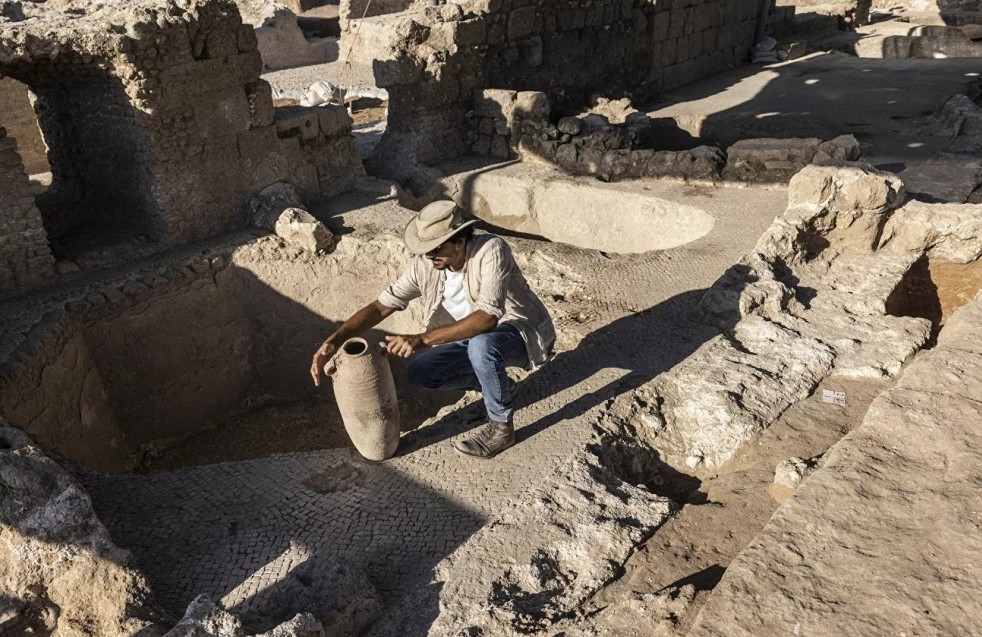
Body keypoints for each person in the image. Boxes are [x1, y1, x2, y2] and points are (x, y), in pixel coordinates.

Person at [310, 200, 555, 458]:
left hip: (520, 331)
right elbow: (381, 306)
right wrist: (335, 340)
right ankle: (500, 386)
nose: (429, 255)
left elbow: (487, 319)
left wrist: (422, 339)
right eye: (425, 249)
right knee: (421, 371)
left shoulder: (491, 250)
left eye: (436, 248)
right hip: (473, 341)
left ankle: (501, 427)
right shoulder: (426, 265)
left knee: (482, 346)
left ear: (460, 241)